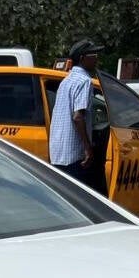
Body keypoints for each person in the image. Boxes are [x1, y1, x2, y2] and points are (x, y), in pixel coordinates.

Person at [49, 39, 103, 191]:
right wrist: (87, 148)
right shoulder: (84, 81)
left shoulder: (66, 81)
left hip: (58, 152)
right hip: (74, 155)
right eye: (94, 55)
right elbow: (78, 117)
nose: (97, 59)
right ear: (82, 58)